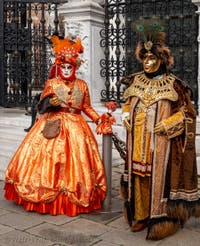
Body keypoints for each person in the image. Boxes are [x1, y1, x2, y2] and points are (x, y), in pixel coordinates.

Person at [4, 35, 107, 216]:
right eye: (63, 67)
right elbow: (42, 105)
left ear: (75, 67)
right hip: (53, 124)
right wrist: (51, 101)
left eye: (70, 67)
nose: (66, 70)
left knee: (76, 160)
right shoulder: (52, 83)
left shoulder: (82, 85)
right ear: (58, 67)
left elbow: (87, 107)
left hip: (76, 126)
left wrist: (99, 119)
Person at [120, 18, 200, 240]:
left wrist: (167, 123)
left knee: (159, 181)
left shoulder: (174, 85)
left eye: (152, 58)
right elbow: (127, 104)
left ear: (161, 60)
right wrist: (126, 115)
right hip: (137, 143)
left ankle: (162, 218)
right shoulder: (134, 82)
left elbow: (187, 113)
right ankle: (142, 215)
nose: (147, 62)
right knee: (139, 176)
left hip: (163, 146)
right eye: (144, 58)